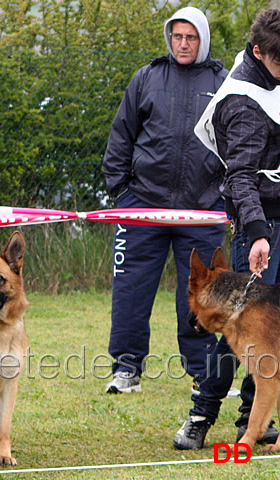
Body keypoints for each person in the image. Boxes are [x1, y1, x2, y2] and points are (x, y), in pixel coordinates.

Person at [101, 7, 228, 394]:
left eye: (191, 37)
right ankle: (126, 370)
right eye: (177, 37)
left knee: (203, 293)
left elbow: (237, 142)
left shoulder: (225, 83)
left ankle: (204, 375)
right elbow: (121, 136)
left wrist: (226, 198)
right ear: (168, 38)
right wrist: (121, 193)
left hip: (202, 211)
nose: (183, 44)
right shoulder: (147, 78)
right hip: (142, 206)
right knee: (131, 291)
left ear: (202, 40)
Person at [173, 8, 280, 450]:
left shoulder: (270, 72)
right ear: (259, 52)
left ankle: (254, 425)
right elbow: (239, 177)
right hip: (263, 223)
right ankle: (201, 415)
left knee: (268, 340)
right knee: (239, 332)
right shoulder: (243, 102)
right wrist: (257, 232)